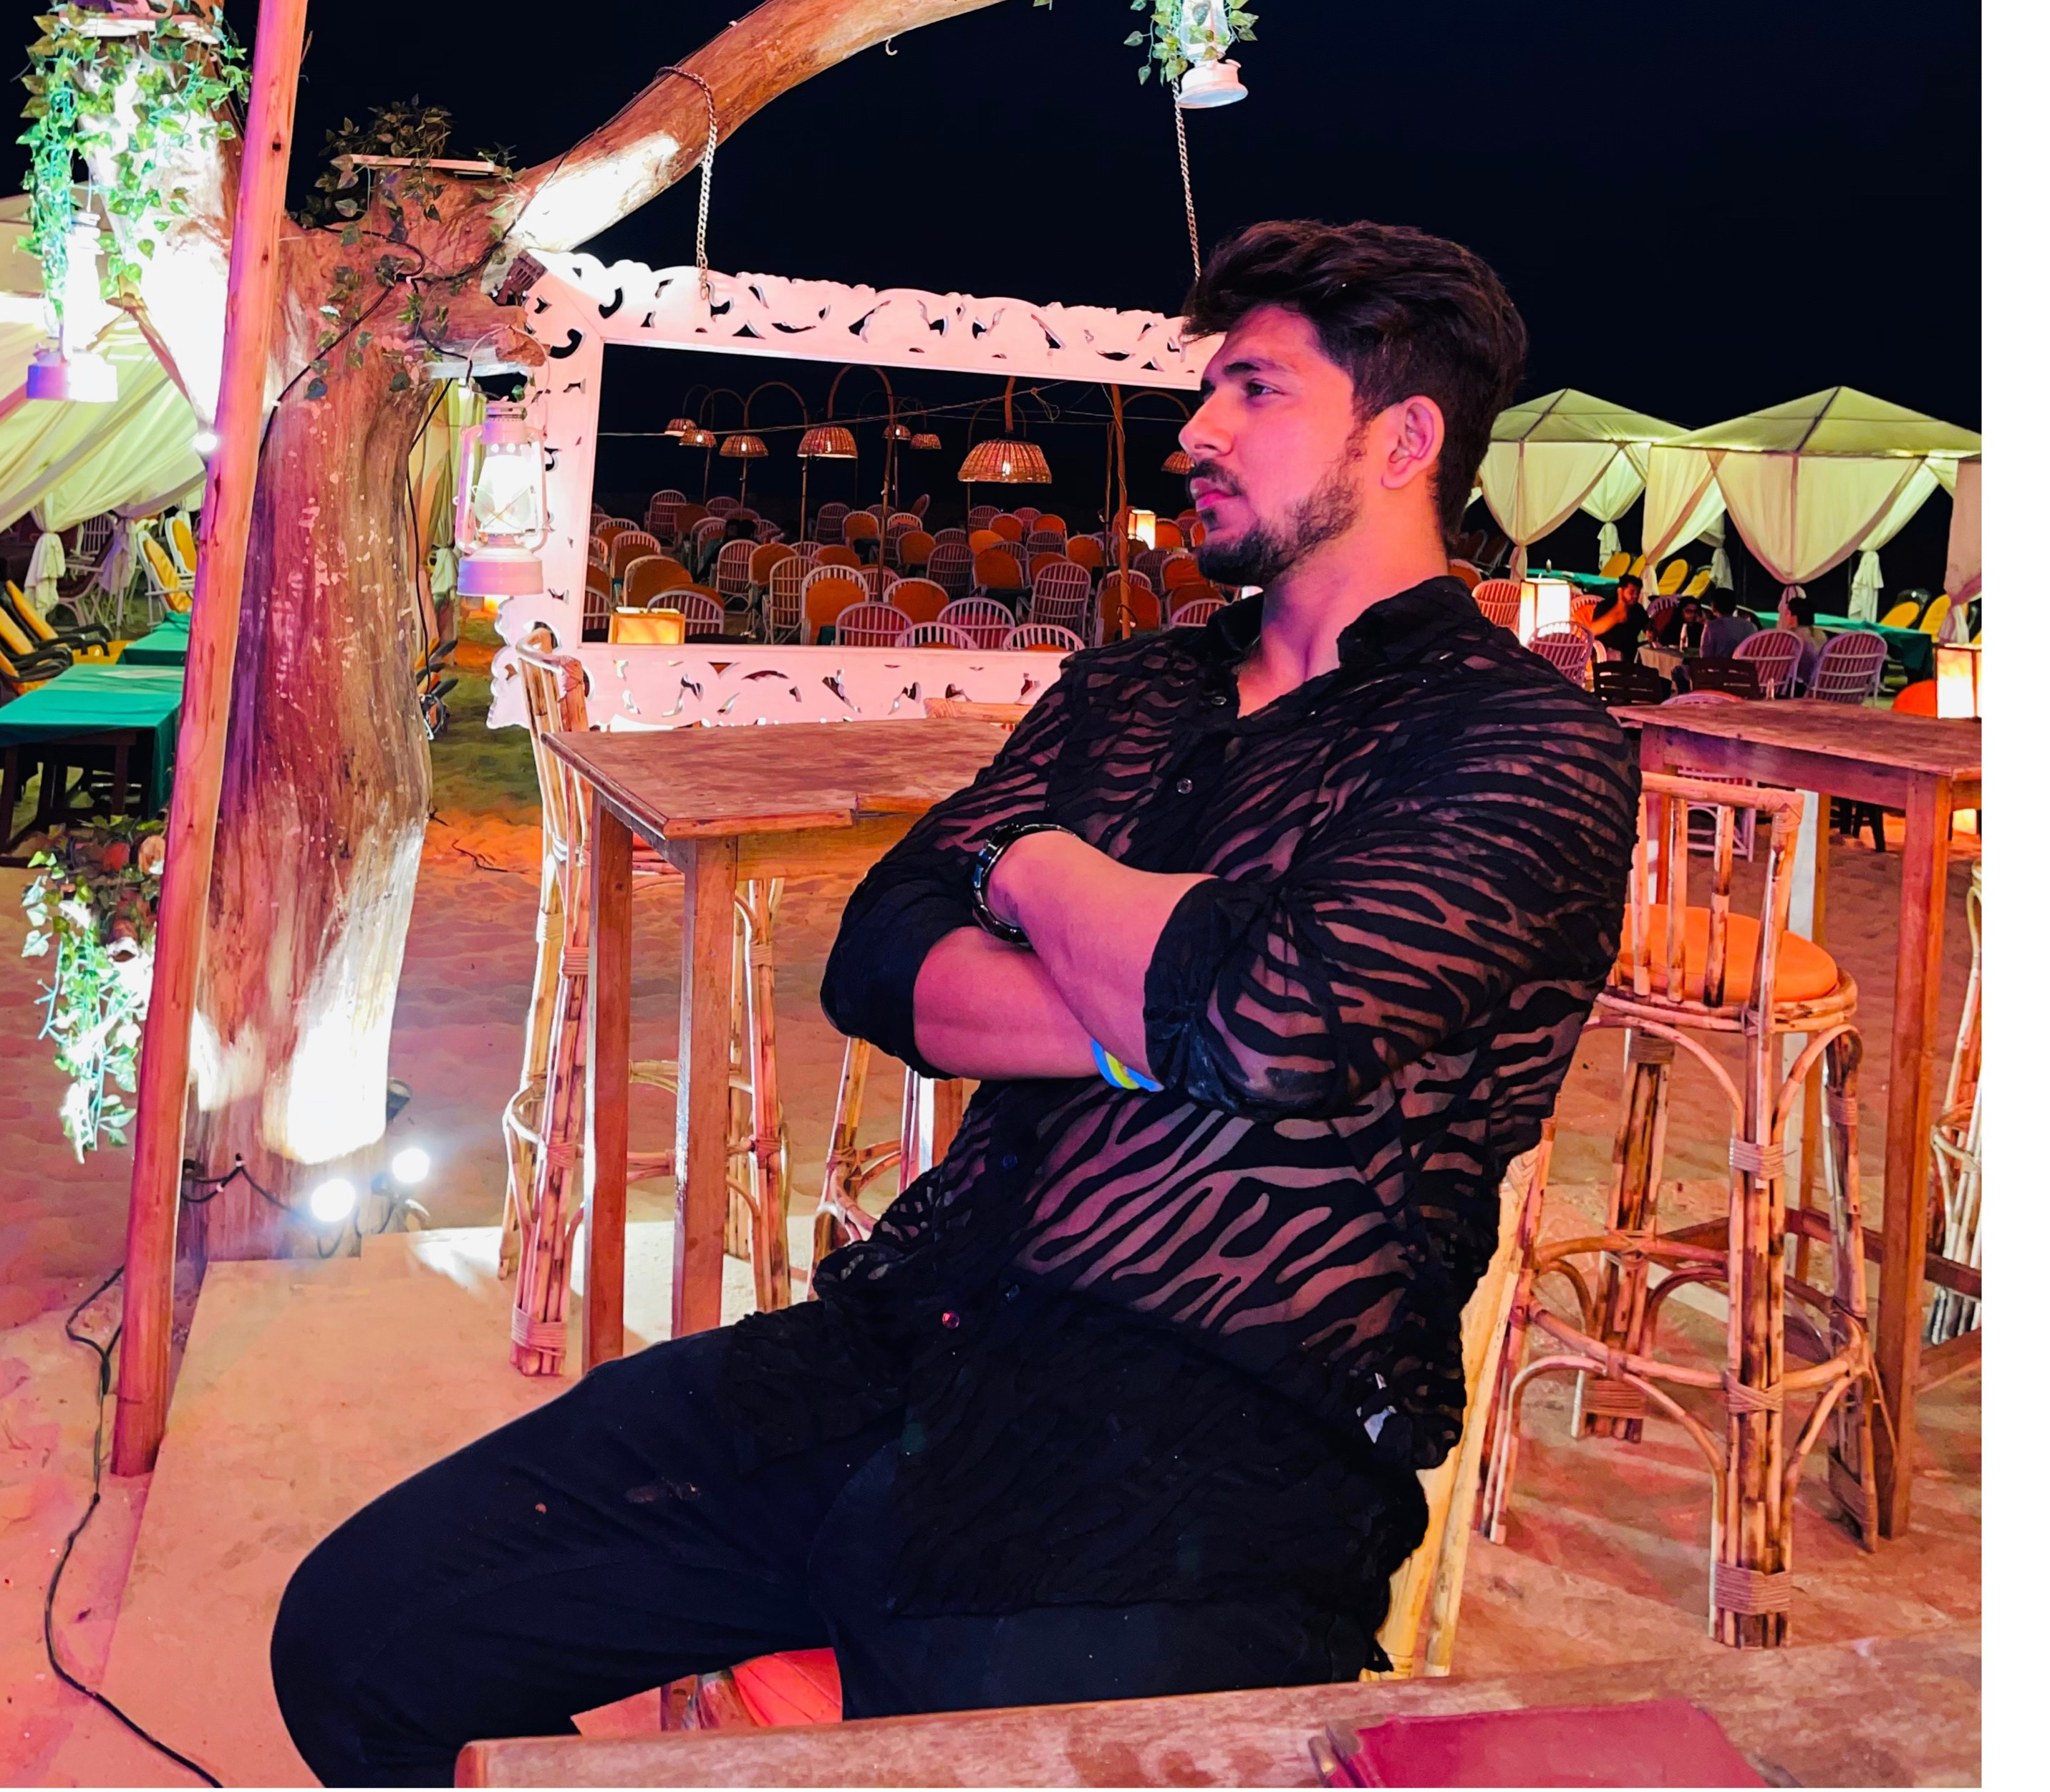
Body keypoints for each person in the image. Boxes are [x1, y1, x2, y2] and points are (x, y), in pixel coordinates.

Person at [269, 221, 1641, 1786]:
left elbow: (1276, 1021)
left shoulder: (1520, 742)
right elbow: (881, 956)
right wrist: (1152, 987)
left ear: (1403, 440)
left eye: (1253, 390)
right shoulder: (1129, 691)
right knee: (357, 1639)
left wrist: (1032, 869)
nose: (1195, 431)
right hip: (900, 1339)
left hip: (1205, 1444)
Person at [1587, 572, 1650, 663]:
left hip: (1629, 656)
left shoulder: (1638, 610)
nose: (1636, 596)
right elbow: (1593, 630)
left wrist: (1650, 631)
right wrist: (1618, 611)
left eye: (1638, 593)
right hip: (1604, 654)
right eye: (1632, 592)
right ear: (1621, 591)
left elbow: (1647, 625)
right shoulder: (1605, 606)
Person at [1698, 585, 1754, 661]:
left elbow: (1705, 656)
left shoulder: (1711, 626)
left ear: (1713, 606)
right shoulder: (1747, 625)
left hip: (1719, 667)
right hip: (1743, 667)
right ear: (1734, 607)